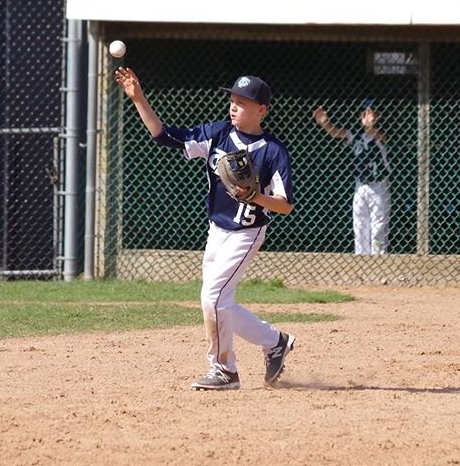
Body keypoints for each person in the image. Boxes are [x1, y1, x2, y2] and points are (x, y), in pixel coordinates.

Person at [115, 67, 296, 390]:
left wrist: (257, 197)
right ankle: (275, 341)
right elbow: (163, 135)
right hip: (217, 230)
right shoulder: (217, 134)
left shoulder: (273, 150)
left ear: (262, 110)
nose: (234, 106)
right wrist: (138, 98)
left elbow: (285, 204)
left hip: (247, 231)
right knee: (219, 301)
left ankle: (224, 370)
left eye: (243, 102)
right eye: (233, 100)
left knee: (212, 297)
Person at [312, 103, 391, 255]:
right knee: (360, 223)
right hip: (360, 185)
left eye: (371, 112)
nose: (367, 115)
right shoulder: (356, 135)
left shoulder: (382, 133)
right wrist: (325, 124)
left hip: (379, 186)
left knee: (378, 225)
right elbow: (337, 133)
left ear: (378, 116)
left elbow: (380, 137)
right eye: (365, 112)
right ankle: (361, 256)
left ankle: (379, 257)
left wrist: (369, 126)